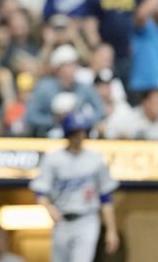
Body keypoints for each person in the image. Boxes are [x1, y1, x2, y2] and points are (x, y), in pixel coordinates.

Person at [30, 112, 119, 262]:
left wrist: (111, 230)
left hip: (87, 219)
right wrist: (49, 208)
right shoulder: (53, 159)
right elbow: (40, 192)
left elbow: (106, 197)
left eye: (82, 132)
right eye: (75, 132)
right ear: (68, 133)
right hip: (62, 220)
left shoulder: (95, 159)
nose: (79, 136)